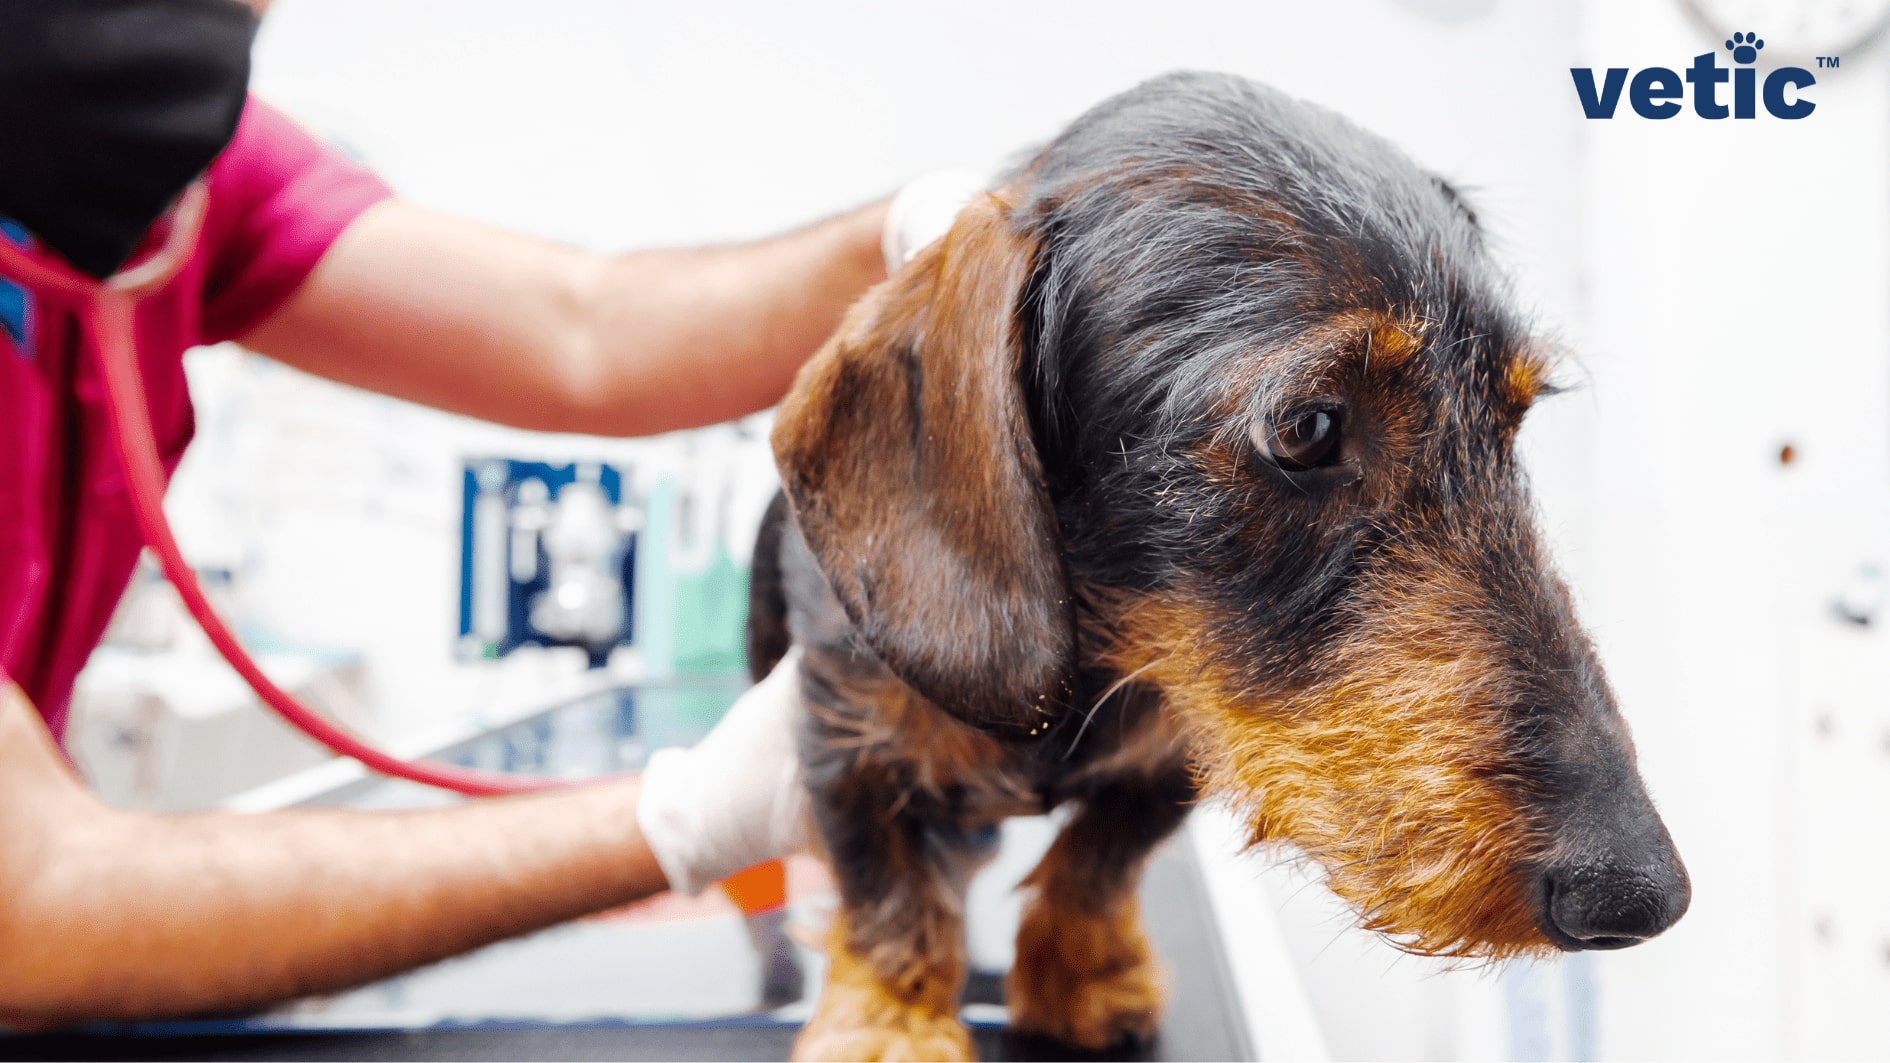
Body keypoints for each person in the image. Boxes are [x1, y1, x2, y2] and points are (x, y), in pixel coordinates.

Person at [0, 0, 973, 1029]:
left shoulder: (172, 184)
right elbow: (33, 896)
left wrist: (904, 243)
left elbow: (586, 330)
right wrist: (692, 817)